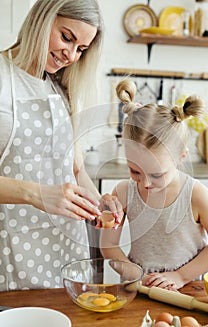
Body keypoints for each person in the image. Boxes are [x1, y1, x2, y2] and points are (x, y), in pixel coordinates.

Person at [0, 0, 121, 291]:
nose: (70, 55)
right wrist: (37, 194)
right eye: (67, 37)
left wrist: (97, 202)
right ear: (42, 19)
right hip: (9, 249)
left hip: (65, 250)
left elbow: (75, 169)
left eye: (81, 49)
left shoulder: (62, 88)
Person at [100, 79, 208, 291]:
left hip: (189, 287)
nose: (145, 183)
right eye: (134, 171)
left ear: (181, 157)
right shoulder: (124, 192)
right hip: (141, 287)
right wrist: (134, 274)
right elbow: (109, 244)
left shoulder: (196, 195)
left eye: (157, 174)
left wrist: (181, 276)